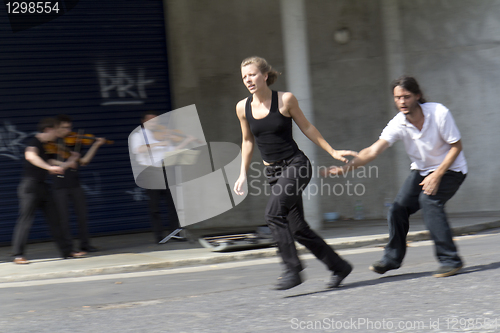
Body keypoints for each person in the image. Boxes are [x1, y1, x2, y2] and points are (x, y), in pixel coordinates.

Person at [233, 56, 357, 290]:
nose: (248, 80)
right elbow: (247, 141)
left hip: (296, 165)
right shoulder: (242, 107)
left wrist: (331, 150)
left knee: (272, 214)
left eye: (252, 74)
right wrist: (242, 174)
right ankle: (339, 266)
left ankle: (292, 269)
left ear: (265, 75)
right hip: (273, 173)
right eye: (244, 77)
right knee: (298, 228)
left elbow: (307, 127)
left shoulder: (285, 100)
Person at [327, 76, 467, 278]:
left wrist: (437, 174)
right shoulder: (398, 123)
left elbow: (456, 147)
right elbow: (373, 150)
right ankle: (391, 259)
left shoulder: (439, 113)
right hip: (422, 170)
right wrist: (346, 168)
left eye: (406, 97)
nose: (402, 102)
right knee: (397, 209)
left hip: (452, 169)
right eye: (397, 98)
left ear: (417, 96)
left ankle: (450, 260)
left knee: (429, 201)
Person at [11, 118, 83, 264]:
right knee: (25, 220)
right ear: (48, 130)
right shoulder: (34, 143)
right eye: (56, 131)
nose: (57, 135)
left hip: (43, 186)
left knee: (55, 219)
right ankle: (18, 255)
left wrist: (71, 161)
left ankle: (67, 251)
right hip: (29, 187)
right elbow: (30, 156)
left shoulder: (47, 146)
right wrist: (49, 168)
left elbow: (56, 164)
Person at [130, 111, 196, 243]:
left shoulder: (163, 135)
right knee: (154, 206)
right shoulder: (138, 135)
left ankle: (175, 233)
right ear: (143, 121)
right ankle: (158, 236)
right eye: (151, 121)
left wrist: (187, 141)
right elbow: (137, 150)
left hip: (167, 170)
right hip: (151, 171)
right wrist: (159, 144)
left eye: (156, 120)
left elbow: (172, 152)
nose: (154, 123)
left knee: (173, 205)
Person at [52, 114, 106, 253]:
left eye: (69, 127)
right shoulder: (52, 143)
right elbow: (50, 161)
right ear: (56, 128)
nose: (67, 130)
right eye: (64, 128)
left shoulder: (75, 142)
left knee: (82, 215)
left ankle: (85, 244)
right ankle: (68, 248)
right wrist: (67, 163)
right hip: (59, 185)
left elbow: (84, 161)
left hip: (75, 183)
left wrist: (95, 145)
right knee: (63, 218)